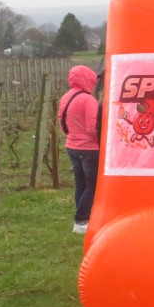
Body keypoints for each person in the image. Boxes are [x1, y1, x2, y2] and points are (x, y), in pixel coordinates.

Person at [57, 65, 100, 234]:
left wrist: (72, 136)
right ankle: (81, 220)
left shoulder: (66, 97)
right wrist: (101, 142)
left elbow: (62, 122)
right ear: (88, 80)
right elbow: (93, 128)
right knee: (92, 186)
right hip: (89, 149)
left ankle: (82, 221)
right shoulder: (88, 100)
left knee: (80, 184)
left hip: (72, 146)